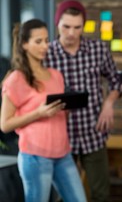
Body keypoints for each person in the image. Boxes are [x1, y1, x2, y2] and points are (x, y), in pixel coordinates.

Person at [0, 19, 86, 202]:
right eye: (38, 41)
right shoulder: (16, 79)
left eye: (46, 40)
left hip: (63, 154)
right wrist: (38, 113)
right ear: (24, 44)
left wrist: (65, 108)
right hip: (35, 157)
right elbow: (5, 125)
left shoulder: (56, 76)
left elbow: (57, 114)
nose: (45, 46)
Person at [44, 0, 121, 202]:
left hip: (93, 133)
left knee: (100, 194)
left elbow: (116, 81)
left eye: (77, 27)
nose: (71, 33)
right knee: (62, 196)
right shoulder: (47, 54)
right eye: (66, 26)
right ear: (57, 23)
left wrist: (108, 103)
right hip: (61, 135)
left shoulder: (98, 49)